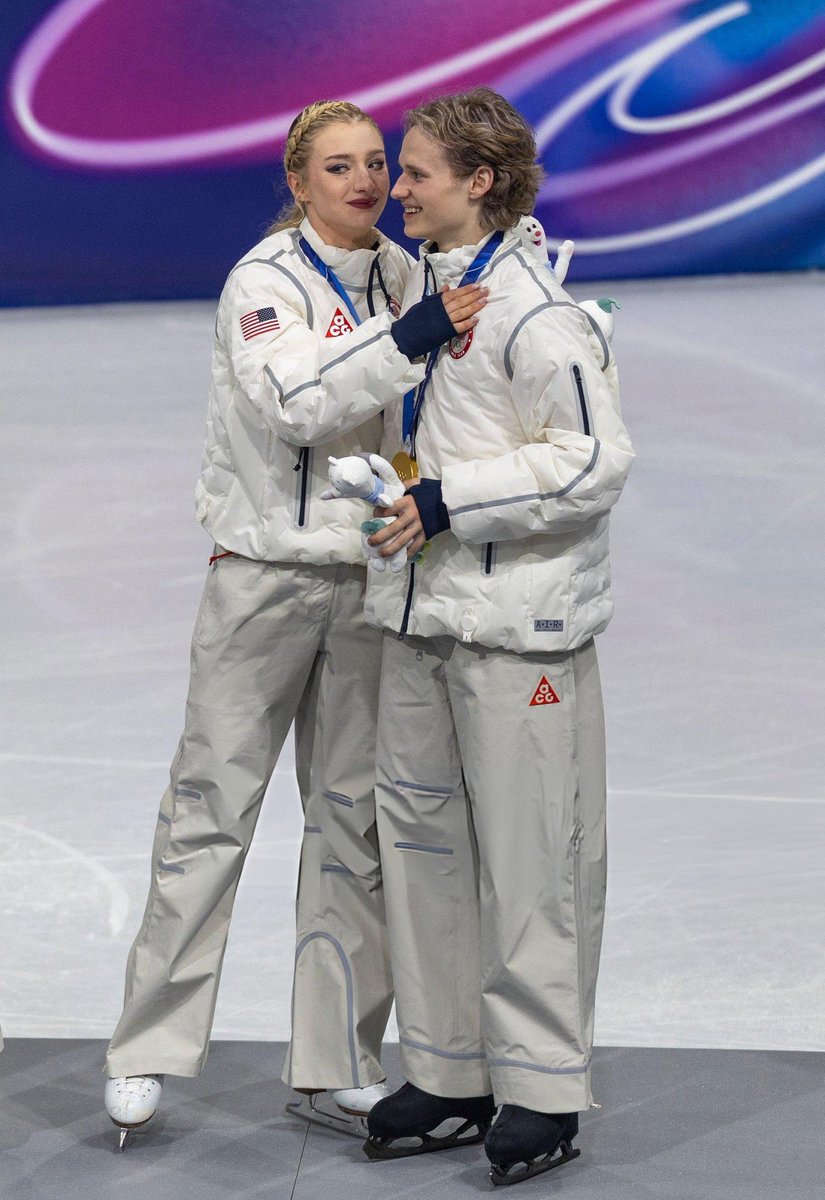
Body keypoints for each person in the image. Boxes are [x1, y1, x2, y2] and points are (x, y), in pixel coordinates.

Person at [102, 99, 487, 1150]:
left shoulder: (410, 276)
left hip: (369, 580)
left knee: (353, 822)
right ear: (299, 179)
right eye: (338, 166)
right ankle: (146, 1047)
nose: (365, 182)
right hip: (263, 579)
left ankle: (342, 1061)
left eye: (376, 164)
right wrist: (412, 335)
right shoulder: (263, 281)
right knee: (210, 811)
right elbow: (299, 405)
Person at [355, 88, 635, 1186]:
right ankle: (449, 1067)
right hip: (423, 619)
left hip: (520, 634)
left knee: (532, 869)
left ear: (478, 182)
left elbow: (590, 463)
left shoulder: (536, 315)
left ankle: (542, 1089)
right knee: (422, 855)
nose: (397, 187)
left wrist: (449, 498)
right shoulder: (429, 292)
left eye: (416, 170)